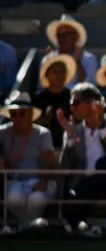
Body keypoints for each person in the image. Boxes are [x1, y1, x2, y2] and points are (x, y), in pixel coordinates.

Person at [58, 83, 106, 223]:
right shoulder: (74, 130)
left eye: (76, 103)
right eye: (71, 104)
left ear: (92, 104)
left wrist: (101, 126)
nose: (72, 108)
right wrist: (70, 138)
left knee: (103, 164)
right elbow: (64, 167)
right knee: (72, 199)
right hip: (86, 185)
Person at [0, 93, 57, 225]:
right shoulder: (3, 133)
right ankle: (31, 224)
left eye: (22, 114)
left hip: (39, 179)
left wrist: (43, 181)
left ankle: (24, 226)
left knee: (37, 199)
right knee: (14, 199)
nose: (17, 118)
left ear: (30, 115)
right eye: (13, 114)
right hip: (14, 181)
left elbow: (49, 163)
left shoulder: (43, 134)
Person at [33, 54, 75, 150]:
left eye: (62, 72)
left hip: (69, 146)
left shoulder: (73, 96)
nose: (59, 75)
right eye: (55, 71)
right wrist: (45, 119)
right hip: (45, 148)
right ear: (47, 75)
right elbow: (32, 125)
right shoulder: (38, 99)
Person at [40, 16, 98, 85]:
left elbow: (89, 85)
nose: (63, 38)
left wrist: (77, 62)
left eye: (67, 34)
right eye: (59, 35)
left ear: (76, 36)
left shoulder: (88, 58)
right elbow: (44, 85)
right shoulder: (48, 58)